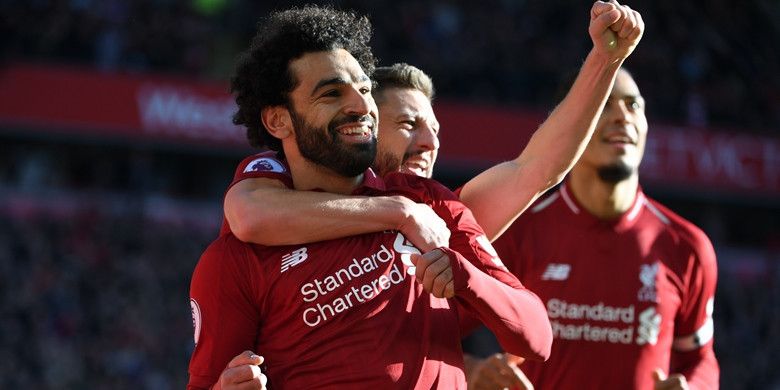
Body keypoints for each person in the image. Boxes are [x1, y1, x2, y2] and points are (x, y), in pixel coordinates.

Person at [188, 6, 554, 389]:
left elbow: (537, 336)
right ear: (278, 120)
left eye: (364, 89)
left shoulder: (429, 201)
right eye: (331, 93)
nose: (361, 106)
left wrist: (466, 277)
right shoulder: (236, 259)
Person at [223, 1, 645, 250]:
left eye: (436, 132)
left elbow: (535, 169)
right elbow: (250, 214)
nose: (428, 144)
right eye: (408, 124)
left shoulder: (440, 216)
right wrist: (399, 212)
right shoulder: (281, 183)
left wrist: (604, 61)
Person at [466, 68, 720, 390]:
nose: (622, 117)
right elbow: (432, 331)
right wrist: (473, 370)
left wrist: (694, 387)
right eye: (604, 105)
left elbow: (701, 358)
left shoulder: (687, 246)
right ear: (569, 123)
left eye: (633, 105)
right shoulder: (515, 231)